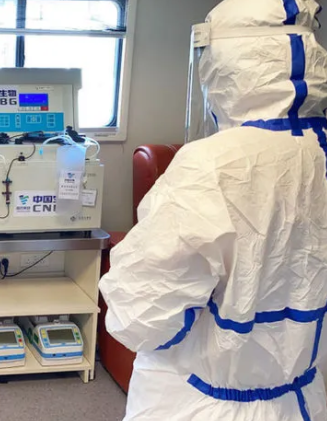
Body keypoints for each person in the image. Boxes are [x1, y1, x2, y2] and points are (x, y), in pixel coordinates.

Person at [99, 1, 327, 420]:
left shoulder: (210, 165)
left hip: (204, 402)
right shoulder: (317, 152)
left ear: (226, 66)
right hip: (302, 399)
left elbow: (140, 315)